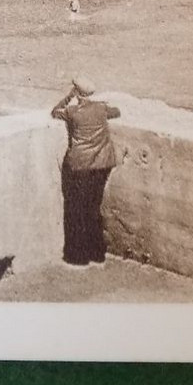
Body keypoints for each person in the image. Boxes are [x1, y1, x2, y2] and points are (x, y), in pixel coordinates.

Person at [51, 77, 122, 267]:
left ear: (77, 92)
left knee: (77, 210)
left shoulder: (72, 111)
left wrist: (68, 97)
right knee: (93, 207)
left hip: (81, 166)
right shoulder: (101, 108)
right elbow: (117, 112)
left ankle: (78, 257)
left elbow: (53, 112)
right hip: (103, 163)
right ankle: (97, 253)